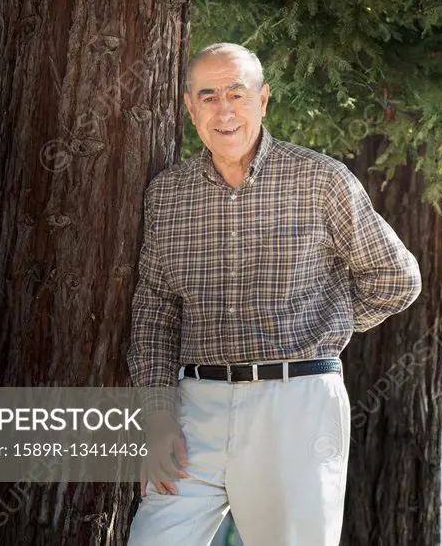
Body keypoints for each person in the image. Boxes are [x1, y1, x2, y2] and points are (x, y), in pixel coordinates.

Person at [125, 43, 422, 546]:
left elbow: (397, 278)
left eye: (237, 94)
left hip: (297, 406)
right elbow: (155, 312)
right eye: (209, 95)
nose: (224, 110)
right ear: (188, 106)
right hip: (194, 409)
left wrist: (322, 329)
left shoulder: (321, 180)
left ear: (263, 100)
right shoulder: (167, 195)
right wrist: (156, 414)